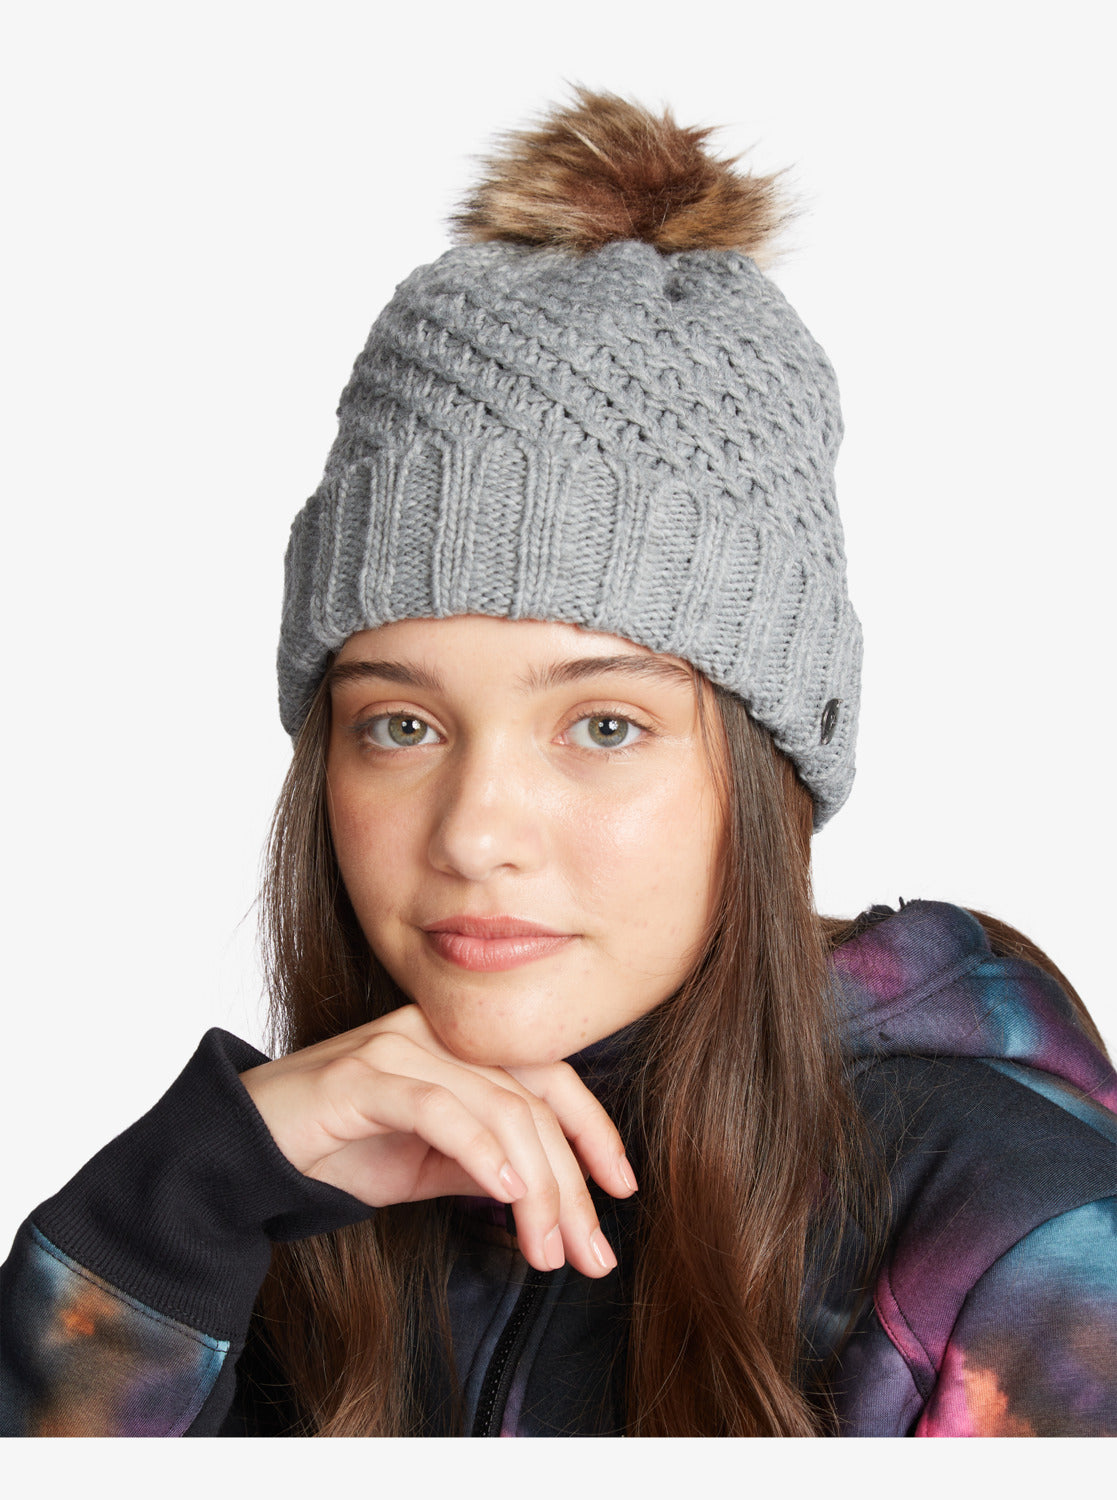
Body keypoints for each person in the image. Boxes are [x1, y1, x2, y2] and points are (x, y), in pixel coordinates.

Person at [2, 87, 1114, 1439]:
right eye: (400, 725)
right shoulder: (318, 1177)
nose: (474, 833)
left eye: (603, 727)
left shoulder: (1019, 1241)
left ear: (766, 766)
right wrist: (174, 1216)